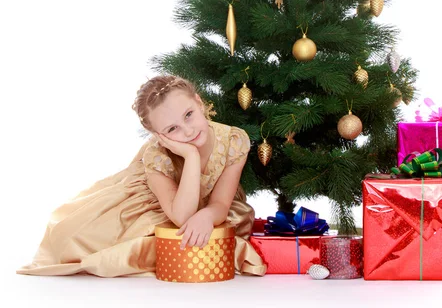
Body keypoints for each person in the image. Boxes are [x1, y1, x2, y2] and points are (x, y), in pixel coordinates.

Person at [16, 75, 266, 277]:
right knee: (71, 238)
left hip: (204, 204)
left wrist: (208, 215)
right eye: (172, 129)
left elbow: (221, 203)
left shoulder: (234, 140)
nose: (188, 130)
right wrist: (189, 157)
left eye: (188, 114)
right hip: (162, 203)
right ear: (158, 136)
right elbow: (181, 216)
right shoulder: (157, 155)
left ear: (199, 103)